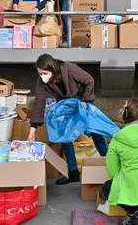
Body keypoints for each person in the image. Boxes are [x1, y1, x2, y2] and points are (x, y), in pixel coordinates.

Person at [28, 54, 108, 185]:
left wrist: (85, 101)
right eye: (40, 73)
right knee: (64, 135)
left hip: (82, 102)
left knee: (95, 132)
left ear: (53, 69)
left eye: (45, 73)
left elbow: (89, 80)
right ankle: (73, 172)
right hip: (65, 105)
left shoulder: (69, 68)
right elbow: (39, 101)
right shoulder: (42, 80)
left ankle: (109, 164)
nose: (42, 76)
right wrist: (33, 128)